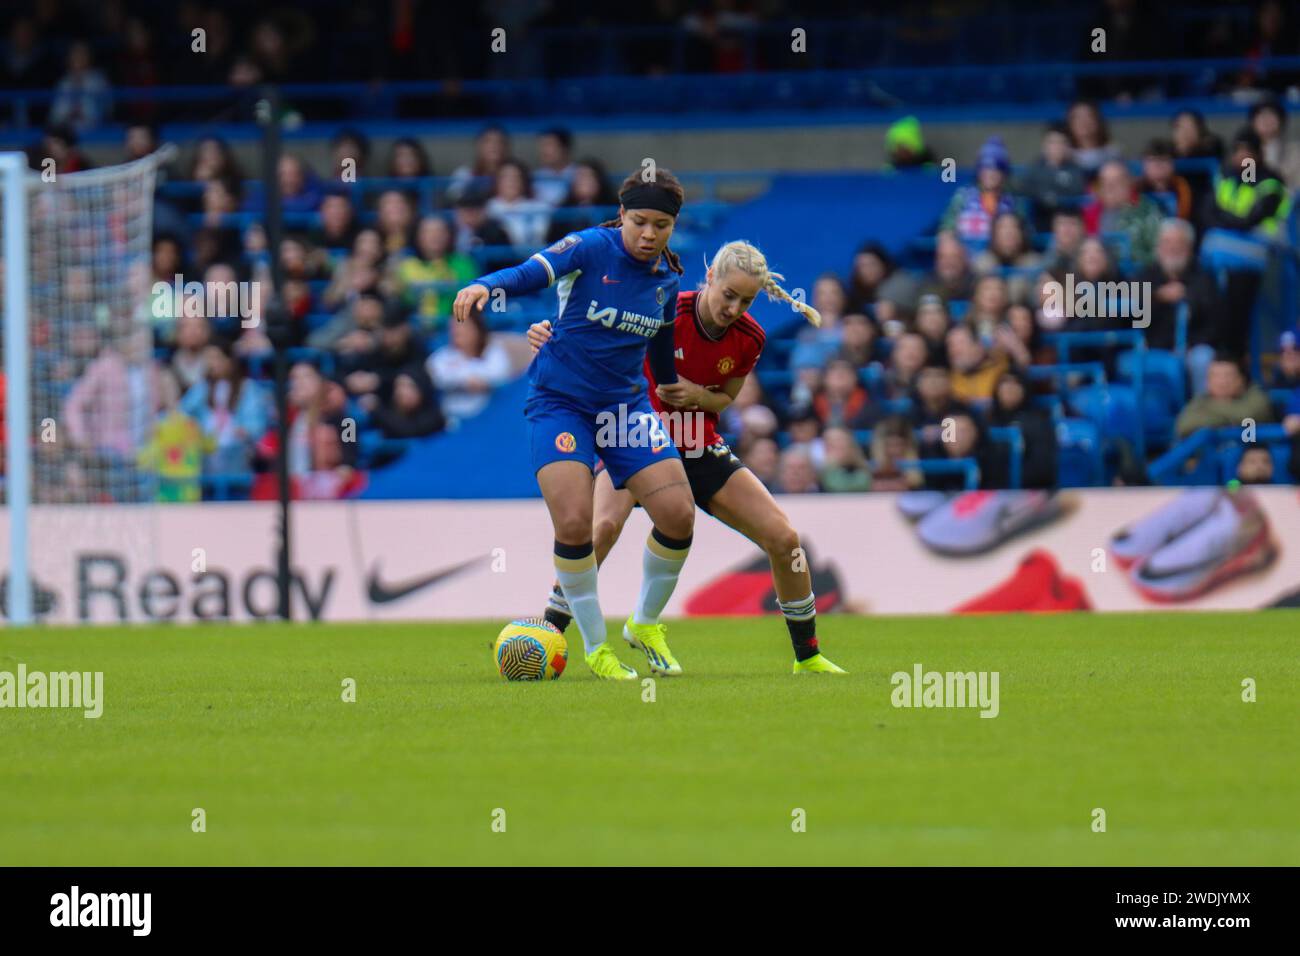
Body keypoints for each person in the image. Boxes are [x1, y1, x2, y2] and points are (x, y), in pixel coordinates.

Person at [524, 240, 844, 675]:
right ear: (710, 276)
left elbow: (725, 399)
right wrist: (550, 334)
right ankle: (548, 636)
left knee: (785, 540)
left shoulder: (751, 338)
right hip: (635, 441)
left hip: (695, 445)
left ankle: (807, 657)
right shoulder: (663, 308)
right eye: (728, 294)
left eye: (745, 300)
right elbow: (594, 336)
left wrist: (697, 396)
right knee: (600, 529)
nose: (734, 307)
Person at [453, 168, 694, 681]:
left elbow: (659, 336)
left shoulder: (667, 278)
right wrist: (483, 284)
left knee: (678, 514)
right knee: (574, 524)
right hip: (561, 403)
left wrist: (671, 383)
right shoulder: (588, 247)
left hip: (627, 410)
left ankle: (645, 624)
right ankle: (594, 647)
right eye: (640, 222)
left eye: (662, 225)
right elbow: (529, 273)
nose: (649, 234)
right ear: (622, 215)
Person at [426, 310, 511, 424]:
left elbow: (499, 375)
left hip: (489, 420)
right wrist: (466, 380)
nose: (457, 330)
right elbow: (433, 375)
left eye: (462, 325)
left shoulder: (494, 353)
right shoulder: (443, 356)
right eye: (453, 326)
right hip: (451, 421)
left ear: (476, 329)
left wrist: (459, 373)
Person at [1174, 356, 1274, 438]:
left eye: (1228, 376)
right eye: (1215, 376)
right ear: (1207, 382)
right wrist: (1229, 420)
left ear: (1241, 379)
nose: (1222, 382)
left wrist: (1209, 410)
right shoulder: (1201, 399)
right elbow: (1184, 426)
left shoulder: (1255, 394)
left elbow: (1246, 416)